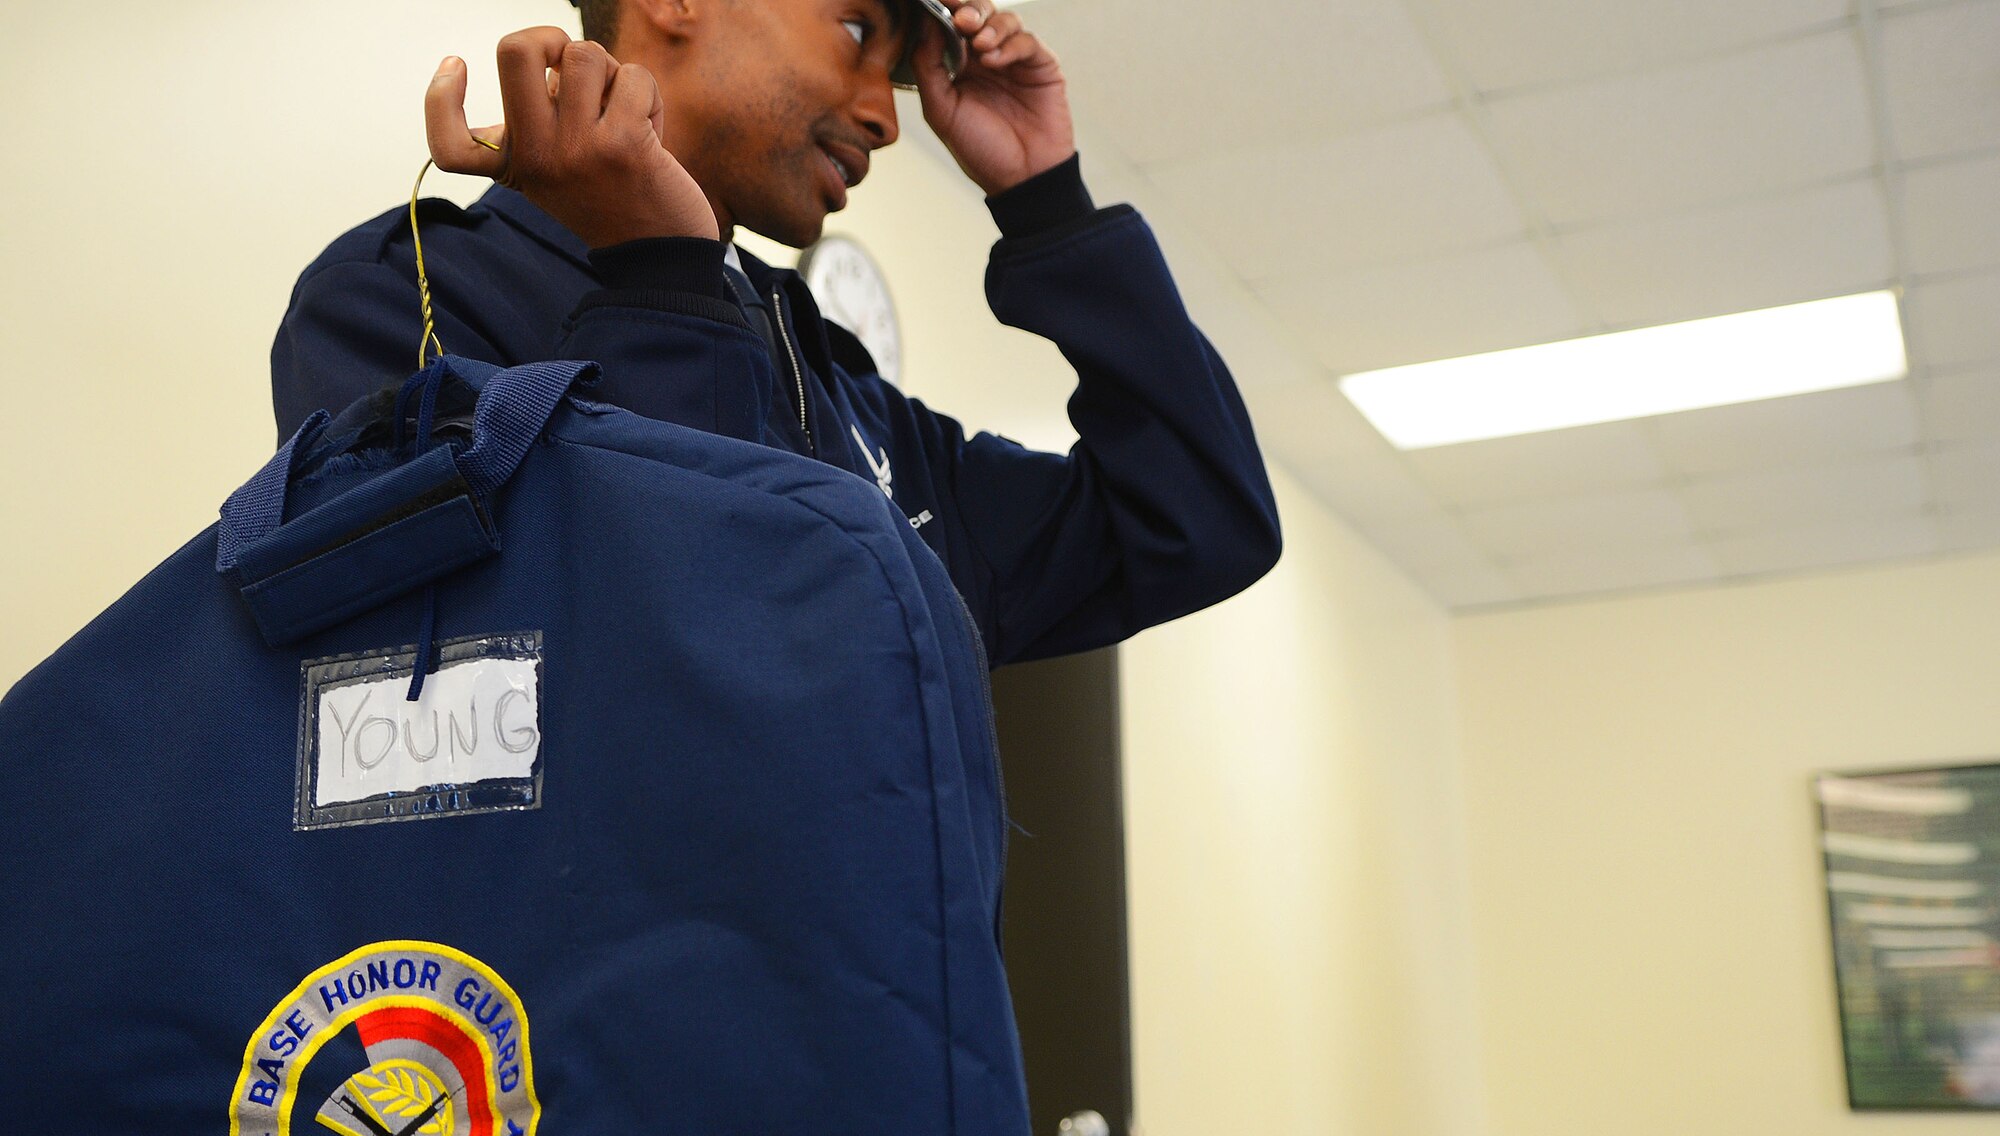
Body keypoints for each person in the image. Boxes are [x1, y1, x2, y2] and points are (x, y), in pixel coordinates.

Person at [272, 0, 1281, 665]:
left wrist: (1049, 206)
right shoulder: (407, 295)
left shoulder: (828, 385)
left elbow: (1195, 524)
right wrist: (660, 277)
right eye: (854, 32)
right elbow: (613, 680)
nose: (886, 117)